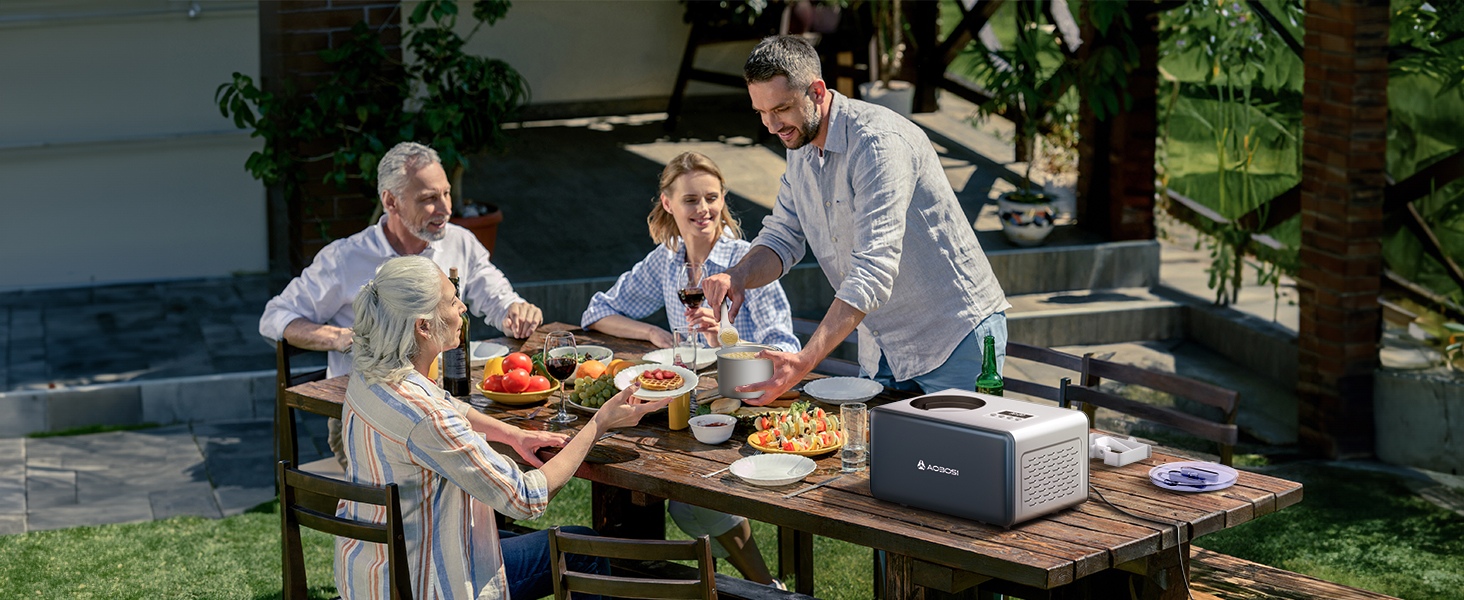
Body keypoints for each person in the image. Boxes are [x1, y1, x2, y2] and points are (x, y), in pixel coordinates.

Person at [337, 255, 671, 600]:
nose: (463, 307)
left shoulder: (368, 374)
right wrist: (600, 424)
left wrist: (513, 434)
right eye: (452, 301)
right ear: (423, 326)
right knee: (584, 549)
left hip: (371, 575)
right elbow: (525, 498)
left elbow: (447, 403)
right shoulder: (427, 417)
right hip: (430, 582)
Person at [702, 35, 1011, 406]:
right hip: (882, 347)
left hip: (952, 339)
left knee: (959, 463)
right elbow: (783, 236)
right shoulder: (801, 142)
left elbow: (872, 271)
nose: (771, 126)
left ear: (817, 91)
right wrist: (739, 274)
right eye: (761, 112)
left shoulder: (878, 144)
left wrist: (804, 360)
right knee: (875, 461)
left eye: (781, 108)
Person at [581, 151, 794, 589]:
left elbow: (786, 355)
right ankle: (716, 587)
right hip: (684, 412)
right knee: (670, 493)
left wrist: (723, 337)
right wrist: (653, 334)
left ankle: (763, 589)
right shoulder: (667, 260)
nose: (704, 210)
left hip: (747, 414)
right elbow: (598, 311)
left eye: (712, 198)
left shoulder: (749, 264)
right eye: (691, 200)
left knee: (686, 502)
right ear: (668, 203)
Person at [259, 141, 543, 468]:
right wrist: (336, 338)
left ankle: (483, 517)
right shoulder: (345, 258)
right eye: (428, 199)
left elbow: (500, 299)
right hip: (367, 417)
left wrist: (515, 311)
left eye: (446, 194)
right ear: (390, 201)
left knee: (515, 452)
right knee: (483, 467)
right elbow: (274, 317)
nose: (446, 208)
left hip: (445, 406)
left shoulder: (459, 242)